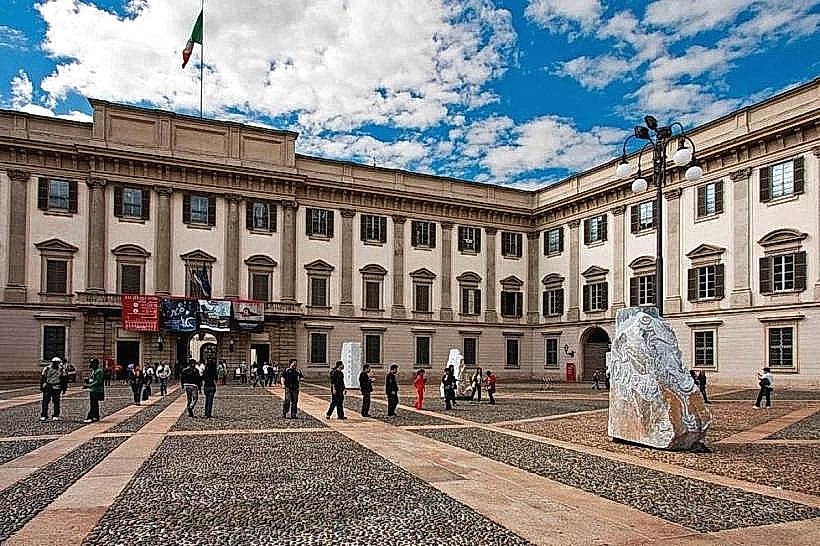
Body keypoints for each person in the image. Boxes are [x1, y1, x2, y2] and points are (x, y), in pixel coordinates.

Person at [40, 356, 66, 421]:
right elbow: (43, 378)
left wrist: (64, 388)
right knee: (45, 402)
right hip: (48, 386)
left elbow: (64, 380)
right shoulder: (47, 368)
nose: (56, 364)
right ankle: (44, 415)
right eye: (55, 363)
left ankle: (55, 415)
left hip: (57, 387)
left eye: (57, 363)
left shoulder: (61, 369)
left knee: (56, 402)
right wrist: (41, 386)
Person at [82, 358, 105, 423]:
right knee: (94, 404)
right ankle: (96, 417)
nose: (90, 364)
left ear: (96, 364)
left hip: (97, 390)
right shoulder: (93, 371)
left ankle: (91, 417)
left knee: (93, 404)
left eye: (92, 363)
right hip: (93, 390)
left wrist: (89, 385)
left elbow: (98, 381)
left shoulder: (99, 371)